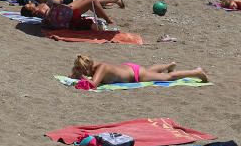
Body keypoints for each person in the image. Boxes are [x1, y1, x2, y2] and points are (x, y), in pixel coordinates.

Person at [70, 54, 208, 86]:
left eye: (83, 70)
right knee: (150, 71)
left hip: (135, 75)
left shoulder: (101, 68)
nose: (84, 73)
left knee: (168, 78)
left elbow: (92, 85)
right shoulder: (95, 66)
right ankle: (167, 65)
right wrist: (74, 74)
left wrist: (81, 77)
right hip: (130, 68)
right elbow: (73, 75)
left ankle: (197, 72)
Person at [20, 0, 117, 30]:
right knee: (93, 0)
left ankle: (101, 15)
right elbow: (49, 17)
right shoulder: (38, 11)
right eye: (29, 5)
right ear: (30, 10)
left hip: (64, 10)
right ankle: (108, 19)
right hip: (65, 13)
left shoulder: (38, 7)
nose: (30, 2)